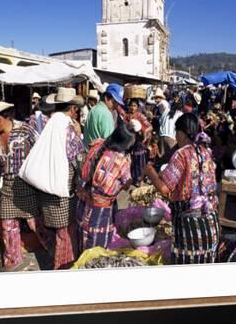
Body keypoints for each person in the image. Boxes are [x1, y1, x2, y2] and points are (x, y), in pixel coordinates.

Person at [0, 95, 48, 270]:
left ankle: (49, 249)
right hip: (7, 189)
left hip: (28, 186)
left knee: (35, 224)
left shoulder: (25, 131)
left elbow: (42, 154)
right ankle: (13, 261)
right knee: (7, 226)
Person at [143, 113, 220, 264]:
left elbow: (164, 188)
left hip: (190, 227)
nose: (175, 136)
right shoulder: (206, 152)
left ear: (182, 133)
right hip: (210, 223)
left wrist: (149, 171)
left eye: (176, 132)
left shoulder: (182, 154)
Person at [34, 87, 85, 269]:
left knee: (56, 234)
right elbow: (77, 159)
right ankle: (62, 268)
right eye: (76, 109)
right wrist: (79, 135)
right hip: (62, 191)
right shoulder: (68, 128)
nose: (77, 112)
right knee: (65, 233)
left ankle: (57, 261)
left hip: (46, 187)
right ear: (72, 108)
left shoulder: (50, 124)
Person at [77, 122, 135, 251]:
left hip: (83, 205)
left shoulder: (97, 146)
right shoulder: (120, 161)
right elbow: (127, 184)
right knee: (97, 249)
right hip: (100, 212)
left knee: (83, 241)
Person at [124, 99, 152, 186]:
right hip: (129, 141)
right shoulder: (126, 116)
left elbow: (150, 127)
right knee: (130, 160)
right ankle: (132, 177)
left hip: (139, 141)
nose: (132, 107)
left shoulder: (140, 116)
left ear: (137, 107)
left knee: (139, 160)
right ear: (128, 106)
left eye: (134, 106)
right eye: (131, 105)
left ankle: (139, 179)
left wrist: (144, 132)